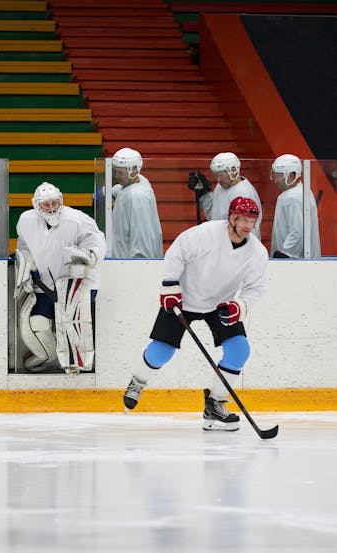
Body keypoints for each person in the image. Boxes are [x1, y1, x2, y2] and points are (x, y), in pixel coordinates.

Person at [123, 196, 268, 432]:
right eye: (244, 220)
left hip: (220, 304)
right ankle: (137, 382)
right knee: (161, 353)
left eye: (253, 221)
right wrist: (170, 286)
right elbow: (176, 253)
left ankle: (216, 405)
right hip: (184, 299)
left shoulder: (256, 252)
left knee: (239, 350)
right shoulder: (205, 234)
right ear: (231, 217)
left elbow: (256, 288)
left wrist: (240, 305)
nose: (248, 227)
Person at [14, 182, 106, 373]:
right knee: (37, 322)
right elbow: (23, 245)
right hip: (45, 286)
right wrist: (27, 263)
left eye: (54, 203)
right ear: (36, 205)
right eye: (45, 205)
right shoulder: (25, 221)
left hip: (78, 284)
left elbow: (96, 240)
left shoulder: (77, 219)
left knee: (74, 323)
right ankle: (50, 356)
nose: (51, 208)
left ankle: (80, 363)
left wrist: (91, 255)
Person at [188, 152, 263, 240]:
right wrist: (203, 193)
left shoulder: (244, 193)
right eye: (216, 175)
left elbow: (247, 230)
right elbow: (213, 213)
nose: (218, 179)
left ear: (233, 170)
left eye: (221, 175)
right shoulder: (221, 186)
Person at [110, 147, 163, 259]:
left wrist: (139, 266)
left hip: (129, 267)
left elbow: (141, 239)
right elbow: (122, 189)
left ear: (133, 171)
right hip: (121, 263)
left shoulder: (137, 198)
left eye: (120, 172)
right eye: (115, 171)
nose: (116, 176)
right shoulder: (139, 182)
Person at [270, 153, 321, 259]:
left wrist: (284, 254)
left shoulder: (292, 197)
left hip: (293, 263)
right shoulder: (302, 191)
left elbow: (297, 233)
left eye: (278, 176)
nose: (275, 180)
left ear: (291, 176)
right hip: (301, 264)